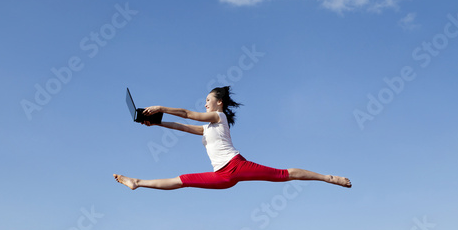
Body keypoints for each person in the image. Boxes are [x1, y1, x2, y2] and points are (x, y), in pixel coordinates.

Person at [113, 86, 352, 191]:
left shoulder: (219, 117)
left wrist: (161, 106)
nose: (205, 103)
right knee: (180, 181)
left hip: (237, 166)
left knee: (283, 175)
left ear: (219, 103)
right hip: (222, 176)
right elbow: (183, 125)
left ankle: (329, 178)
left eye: (208, 100)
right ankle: (137, 182)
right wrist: (157, 122)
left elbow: (187, 114)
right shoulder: (208, 128)